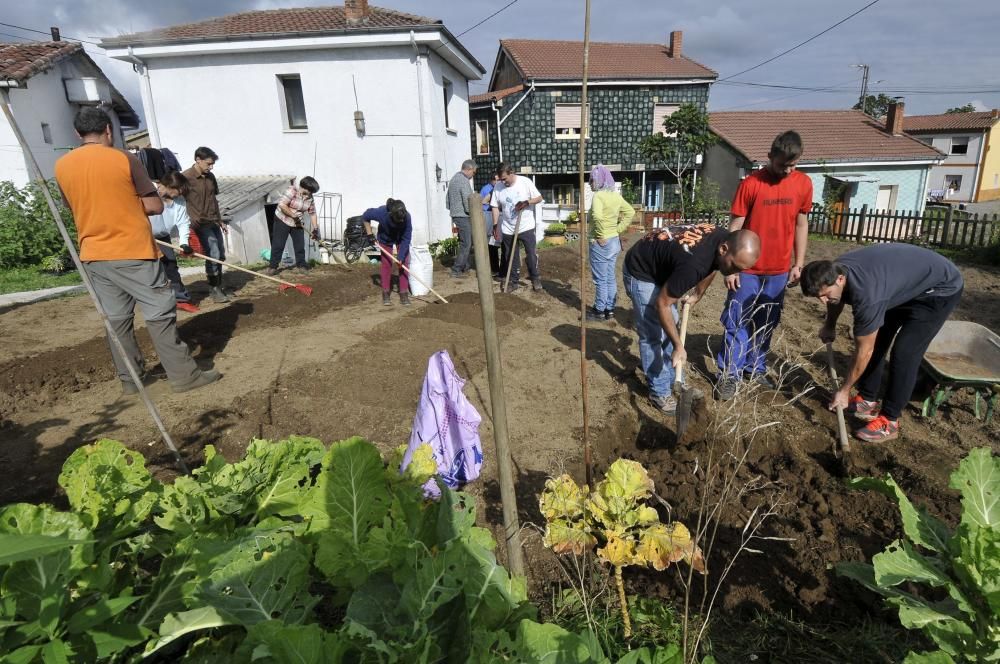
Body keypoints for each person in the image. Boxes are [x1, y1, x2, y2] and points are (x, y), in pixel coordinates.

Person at [54, 107, 220, 395]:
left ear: (77, 134)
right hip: (132, 249)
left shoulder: (62, 166)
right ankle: (183, 376)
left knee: (116, 318)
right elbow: (155, 206)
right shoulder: (122, 159)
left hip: (93, 254)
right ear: (108, 130)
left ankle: (131, 379)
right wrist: (126, 203)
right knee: (159, 310)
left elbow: (74, 207)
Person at [800, 244, 963, 442]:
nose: (823, 301)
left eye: (825, 295)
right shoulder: (835, 272)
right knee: (879, 338)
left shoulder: (867, 296)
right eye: (819, 297)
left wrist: (844, 391)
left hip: (938, 289)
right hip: (899, 284)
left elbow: (864, 351)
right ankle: (867, 398)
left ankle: (890, 421)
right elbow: (837, 300)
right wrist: (830, 325)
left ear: (840, 279)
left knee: (905, 352)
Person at [716, 131, 813, 401]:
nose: (787, 170)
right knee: (737, 320)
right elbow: (735, 226)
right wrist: (731, 268)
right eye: (782, 164)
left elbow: (801, 224)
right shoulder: (751, 184)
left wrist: (799, 263)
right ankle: (728, 374)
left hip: (779, 270)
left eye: (792, 165)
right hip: (747, 269)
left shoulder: (803, 184)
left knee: (767, 322)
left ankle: (754, 369)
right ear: (770, 157)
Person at [622, 225, 761, 413]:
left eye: (742, 269)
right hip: (641, 270)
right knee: (652, 333)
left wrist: (698, 293)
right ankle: (660, 390)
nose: (736, 272)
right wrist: (679, 346)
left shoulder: (722, 240)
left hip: (663, 262)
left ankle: (674, 378)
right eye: (735, 266)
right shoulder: (694, 264)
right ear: (724, 249)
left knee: (671, 323)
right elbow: (662, 304)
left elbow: (714, 266)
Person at [587, 165, 634, 322]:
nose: (589, 183)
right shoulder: (615, 196)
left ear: (599, 180)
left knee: (600, 279)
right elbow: (630, 212)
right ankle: (610, 309)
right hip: (613, 241)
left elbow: (598, 217)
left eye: (591, 179)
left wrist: (600, 235)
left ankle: (599, 311)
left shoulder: (599, 196)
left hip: (601, 243)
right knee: (609, 277)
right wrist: (617, 229)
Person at [183, 146, 230, 303]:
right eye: (208, 164)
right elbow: (177, 200)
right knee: (213, 253)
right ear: (198, 159)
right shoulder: (186, 177)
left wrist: (220, 220)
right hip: (200, 222)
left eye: (212, 164)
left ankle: (219, 285)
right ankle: (214, 289)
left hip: (213, 220)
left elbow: (213, 200)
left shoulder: (211, 177)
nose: (211, 167)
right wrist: (187, 221)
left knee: (221, 254)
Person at [149, 171, 198, 313]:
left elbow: (183, 223)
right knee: (149, 270)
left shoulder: (179, 202)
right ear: (169, 186)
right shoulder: (149, 194)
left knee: (171, 267)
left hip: (163, 238)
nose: (180, 193)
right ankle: (156, 304)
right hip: (144, 237)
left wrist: (184, 244)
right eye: (179, 190)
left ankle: (181, 300)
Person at [491, 163, 544, 292]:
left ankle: (535, 278)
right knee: (510, 255)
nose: (503, 182)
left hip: (526, 226)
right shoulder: (498, 187)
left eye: (505, 179)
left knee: (531, 254)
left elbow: (539, 198)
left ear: (511, 173)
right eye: (501, 179)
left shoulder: (525, 182)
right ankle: (513, 281)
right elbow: (494, 206)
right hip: (508, 228)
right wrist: (495, 225)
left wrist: (526, 202)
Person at [363, 198, 413, 306]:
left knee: (404, 262)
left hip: (401, 239)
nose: (401, 222)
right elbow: (365, 216)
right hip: (385, 238)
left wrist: (400, 256)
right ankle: (385, 292)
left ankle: (403, 293)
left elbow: (406, 239)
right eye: (398, 220)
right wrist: (369, 234)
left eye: (402, 220)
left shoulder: (407, 217)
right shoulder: (382, 213)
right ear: (391, 215)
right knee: (386, 264)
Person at [266, 176, 320, 275]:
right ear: (304, 188)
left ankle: (301, 265)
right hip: (283, 219)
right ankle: (273, 266)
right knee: (278, 244)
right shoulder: (292, 191)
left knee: (300, 245)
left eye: (312, 192)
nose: (311, 194)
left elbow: (312, 213)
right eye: (310, 191)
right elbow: (282, 205)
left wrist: (315, 229)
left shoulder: (310, 199)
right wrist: (293, 215)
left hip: (297, 222)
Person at [446, 159, 477, 278]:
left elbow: (447, 199)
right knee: (467, 243)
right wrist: (473, 213)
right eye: (473, 172)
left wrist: (453, 210)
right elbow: (467, 200)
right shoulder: (463, 181)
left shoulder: (454, 178)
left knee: (464, 241)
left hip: (456, 214)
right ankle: (456, 269)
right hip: (463, 215)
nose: (473, 175)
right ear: (469, 169)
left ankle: (465, 266)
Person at [480, 172, 502, 276]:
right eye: (496, 180)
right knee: (492, 243)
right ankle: (495, 269)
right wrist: (493, 206)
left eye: (500, 180)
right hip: (490, 217)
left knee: (503, 245)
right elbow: (483, 201)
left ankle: (502, 269)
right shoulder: (490, 190)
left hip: (501, 218)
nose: (498, 182)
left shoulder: (500, 188)